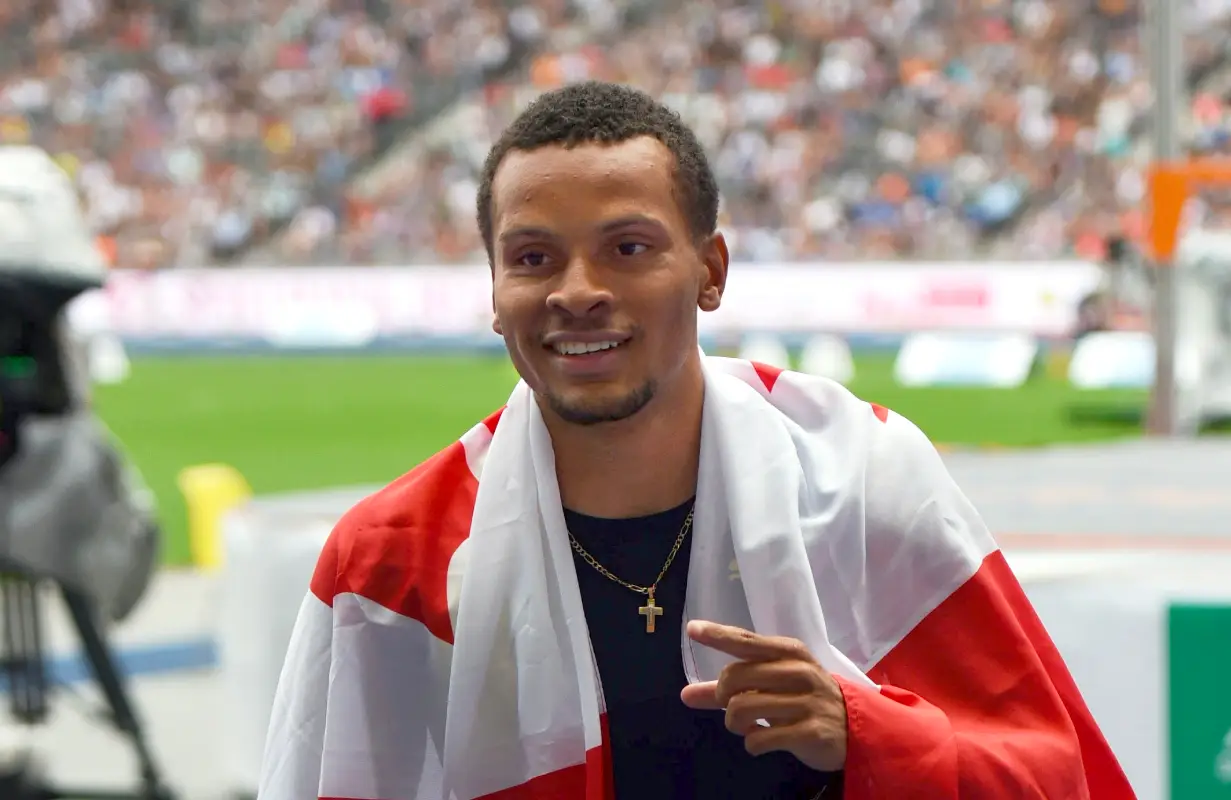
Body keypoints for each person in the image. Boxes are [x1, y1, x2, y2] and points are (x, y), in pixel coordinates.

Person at [257, 81, 1135, 799]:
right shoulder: (390, 567)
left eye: (627, 248)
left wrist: (864, 732)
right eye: (531, 258)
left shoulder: (864, 480)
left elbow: (1056, 777)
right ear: (492, 290)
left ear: (710, 271)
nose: (576, 291)